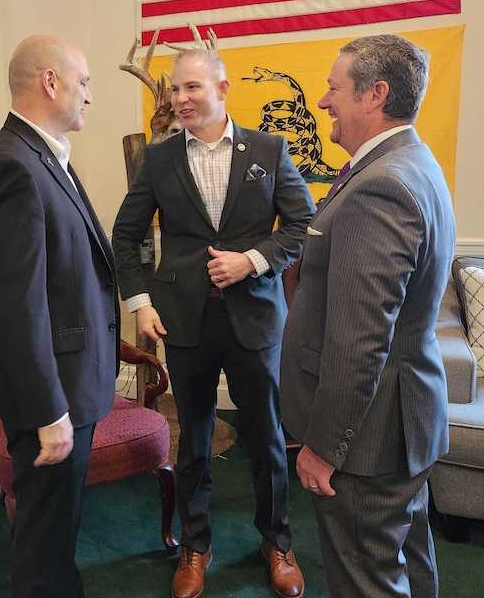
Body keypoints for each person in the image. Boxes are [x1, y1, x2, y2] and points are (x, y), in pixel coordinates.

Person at [112, 48, 315, 598]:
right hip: (184, 323)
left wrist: (250, 261)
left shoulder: (269, 149)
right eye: (176, 90)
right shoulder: (158, 160)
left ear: (222, 89)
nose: (181, 99)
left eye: (192, 88)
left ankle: (277, 542)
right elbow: (125, 236)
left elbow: (302, 222)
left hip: (255, 319)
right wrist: (140, 304)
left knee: (267, 438)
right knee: (195, 440)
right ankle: (195, 548)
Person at [280, 34, 456, 598]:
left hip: (368, 440)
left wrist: (323, 448)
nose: (324, 101)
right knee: (407, 560)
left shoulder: (380, 187)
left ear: (374, 94)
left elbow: (361, 342)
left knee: (367, 580)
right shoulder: (413, 163)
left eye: (334, 88)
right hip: (401, 425)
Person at [0, 35, 118, 598]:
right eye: (83, 82)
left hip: (71, 381)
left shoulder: (42, 153)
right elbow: (17, 303)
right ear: (50, 82)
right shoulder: (11, 165)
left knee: (60, 533)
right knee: (43, 543)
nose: (89, 96)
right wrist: (48, 408)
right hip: (52, 393)